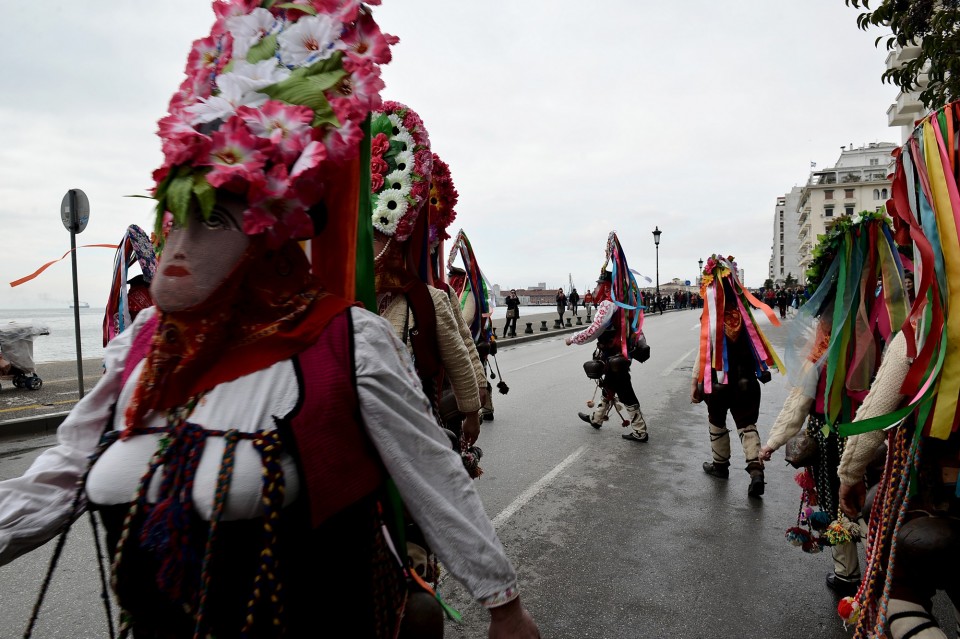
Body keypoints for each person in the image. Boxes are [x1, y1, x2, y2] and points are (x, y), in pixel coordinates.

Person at [0, 4, 540, 638]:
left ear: (266, 239)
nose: (175, 251)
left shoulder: (348, 340)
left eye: (214, 221)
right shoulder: (140, 350)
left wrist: (502, 603)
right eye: (176, 218)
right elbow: (56, 476)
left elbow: (433, 472)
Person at [833, 102, 960, 639]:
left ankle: (849, 571)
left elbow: (876, 409)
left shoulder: (928, 327)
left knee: (898, 596)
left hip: (935, 494)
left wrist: (848, 473)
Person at [759, 212, 907, 596]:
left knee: (837, 506)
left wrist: (773, 442)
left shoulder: (824, 338)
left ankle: (847, 575)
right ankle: (882, 579)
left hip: (835, 438)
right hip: (886, 443)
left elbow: (802, 398)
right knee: (879, 511)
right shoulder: (892, 322)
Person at [692, 255, 782, 497]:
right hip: (746, 383)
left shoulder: (710, 319)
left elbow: (702, 355)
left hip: (718, 384)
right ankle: (756, 470)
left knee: (716, 422)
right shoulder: (745, 316)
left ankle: (720, 466)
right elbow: (756, 347)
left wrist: (695, 383)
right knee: (747, 425)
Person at [566, 232, 650, 443]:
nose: (595, 289)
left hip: (614, 353)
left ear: (605, 285)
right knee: (610, 386)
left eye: (598, 285)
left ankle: (640, 430)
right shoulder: (623, 300)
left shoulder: (607, 304)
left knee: (625, 390)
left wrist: (573, 338)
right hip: (621, 352)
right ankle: (597, 418)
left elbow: (595, 329)